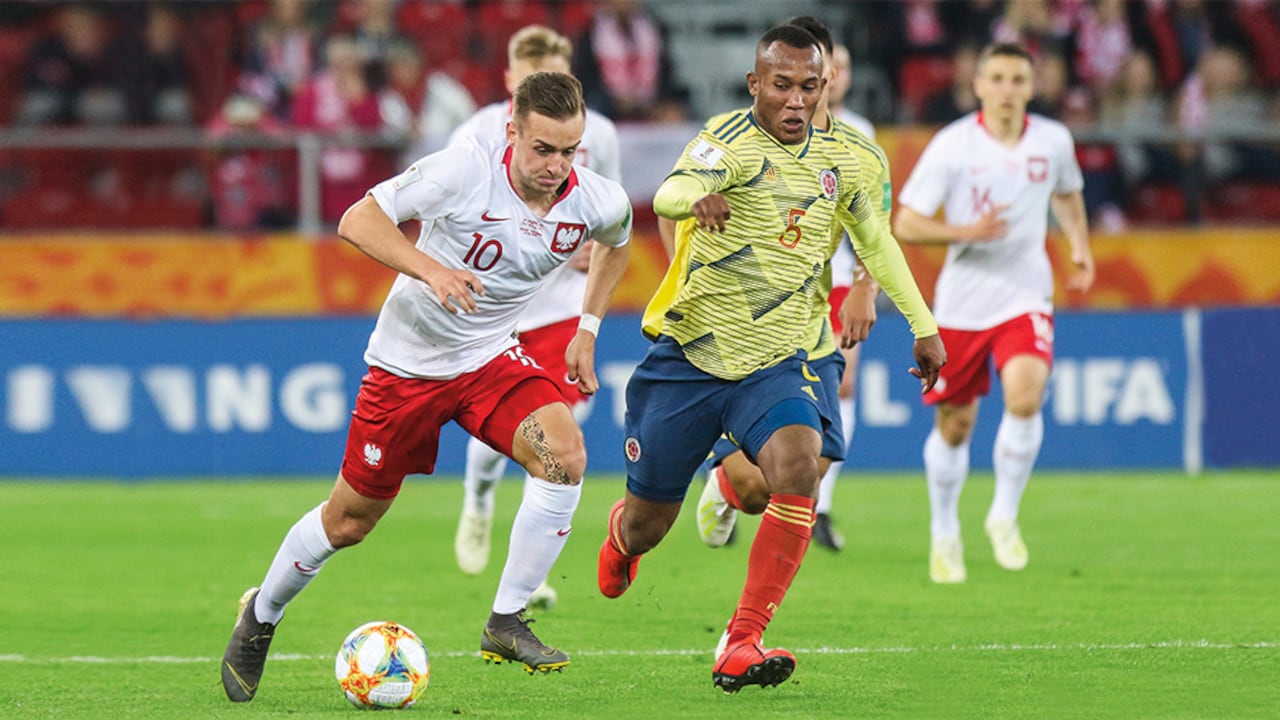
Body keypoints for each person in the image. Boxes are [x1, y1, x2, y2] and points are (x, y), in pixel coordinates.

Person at [220, 71, 633, 702]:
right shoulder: (463, 171)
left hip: (490, 358)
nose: (557, 166)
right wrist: (432, 270)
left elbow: (618, 242)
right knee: (350, 520)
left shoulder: (596, 198)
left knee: (563, 455)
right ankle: (261, 616)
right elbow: (359, 220)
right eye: (543, 149)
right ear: (512, 132)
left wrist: (588, 328)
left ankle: (506, 620)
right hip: (406, 369)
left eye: (569, 151)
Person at [597, 24, 944, 693]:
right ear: (755, 83)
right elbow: (670, 191)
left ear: (825, 87)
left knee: (797, 465)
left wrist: (923, 326)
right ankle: (621, 539)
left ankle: (742, 638)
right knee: (646, 526)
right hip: (691, 356)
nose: (795, 99)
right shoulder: (727, 140)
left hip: (778, 356)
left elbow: (875, 240)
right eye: (780, 85)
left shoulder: (852, 158)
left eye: (808, 86)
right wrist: (697, 196)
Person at [892, 42, 1094, 584]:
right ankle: (944, 532)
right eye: (997, 78)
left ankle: (1003, 515)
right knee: (955, 426)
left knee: (1026, 397)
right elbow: (906, 223)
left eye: (1017, 79)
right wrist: (964, 232)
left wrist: (1079, 243)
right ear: (978, 85)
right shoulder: (953, 145)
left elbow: (1068, 194)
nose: (1007, 89)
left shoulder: (1053, 140)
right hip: (963, 302)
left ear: (1033, 86)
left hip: (1026, 293)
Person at [692, 16, 892, 556]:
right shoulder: (734, 135)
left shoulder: (861, 145)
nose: (810, 88)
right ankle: (729, 469)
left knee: (807, 459)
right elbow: (678, 202)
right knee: (778, 470)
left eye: (822, 75)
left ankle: (737, 485)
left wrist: (864, 287)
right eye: (795, 79)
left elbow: (876, 228)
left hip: (820, 295)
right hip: (747, 301)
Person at [448, 26, 623, 606]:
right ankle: (478, 502)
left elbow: (609, 212)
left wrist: (587, 251)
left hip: (558, 308)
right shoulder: (474, 133)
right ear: (510, 85)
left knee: (557, 431)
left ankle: (526, 567)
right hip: (495, 306)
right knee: (513, 434)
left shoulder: (601, 135)